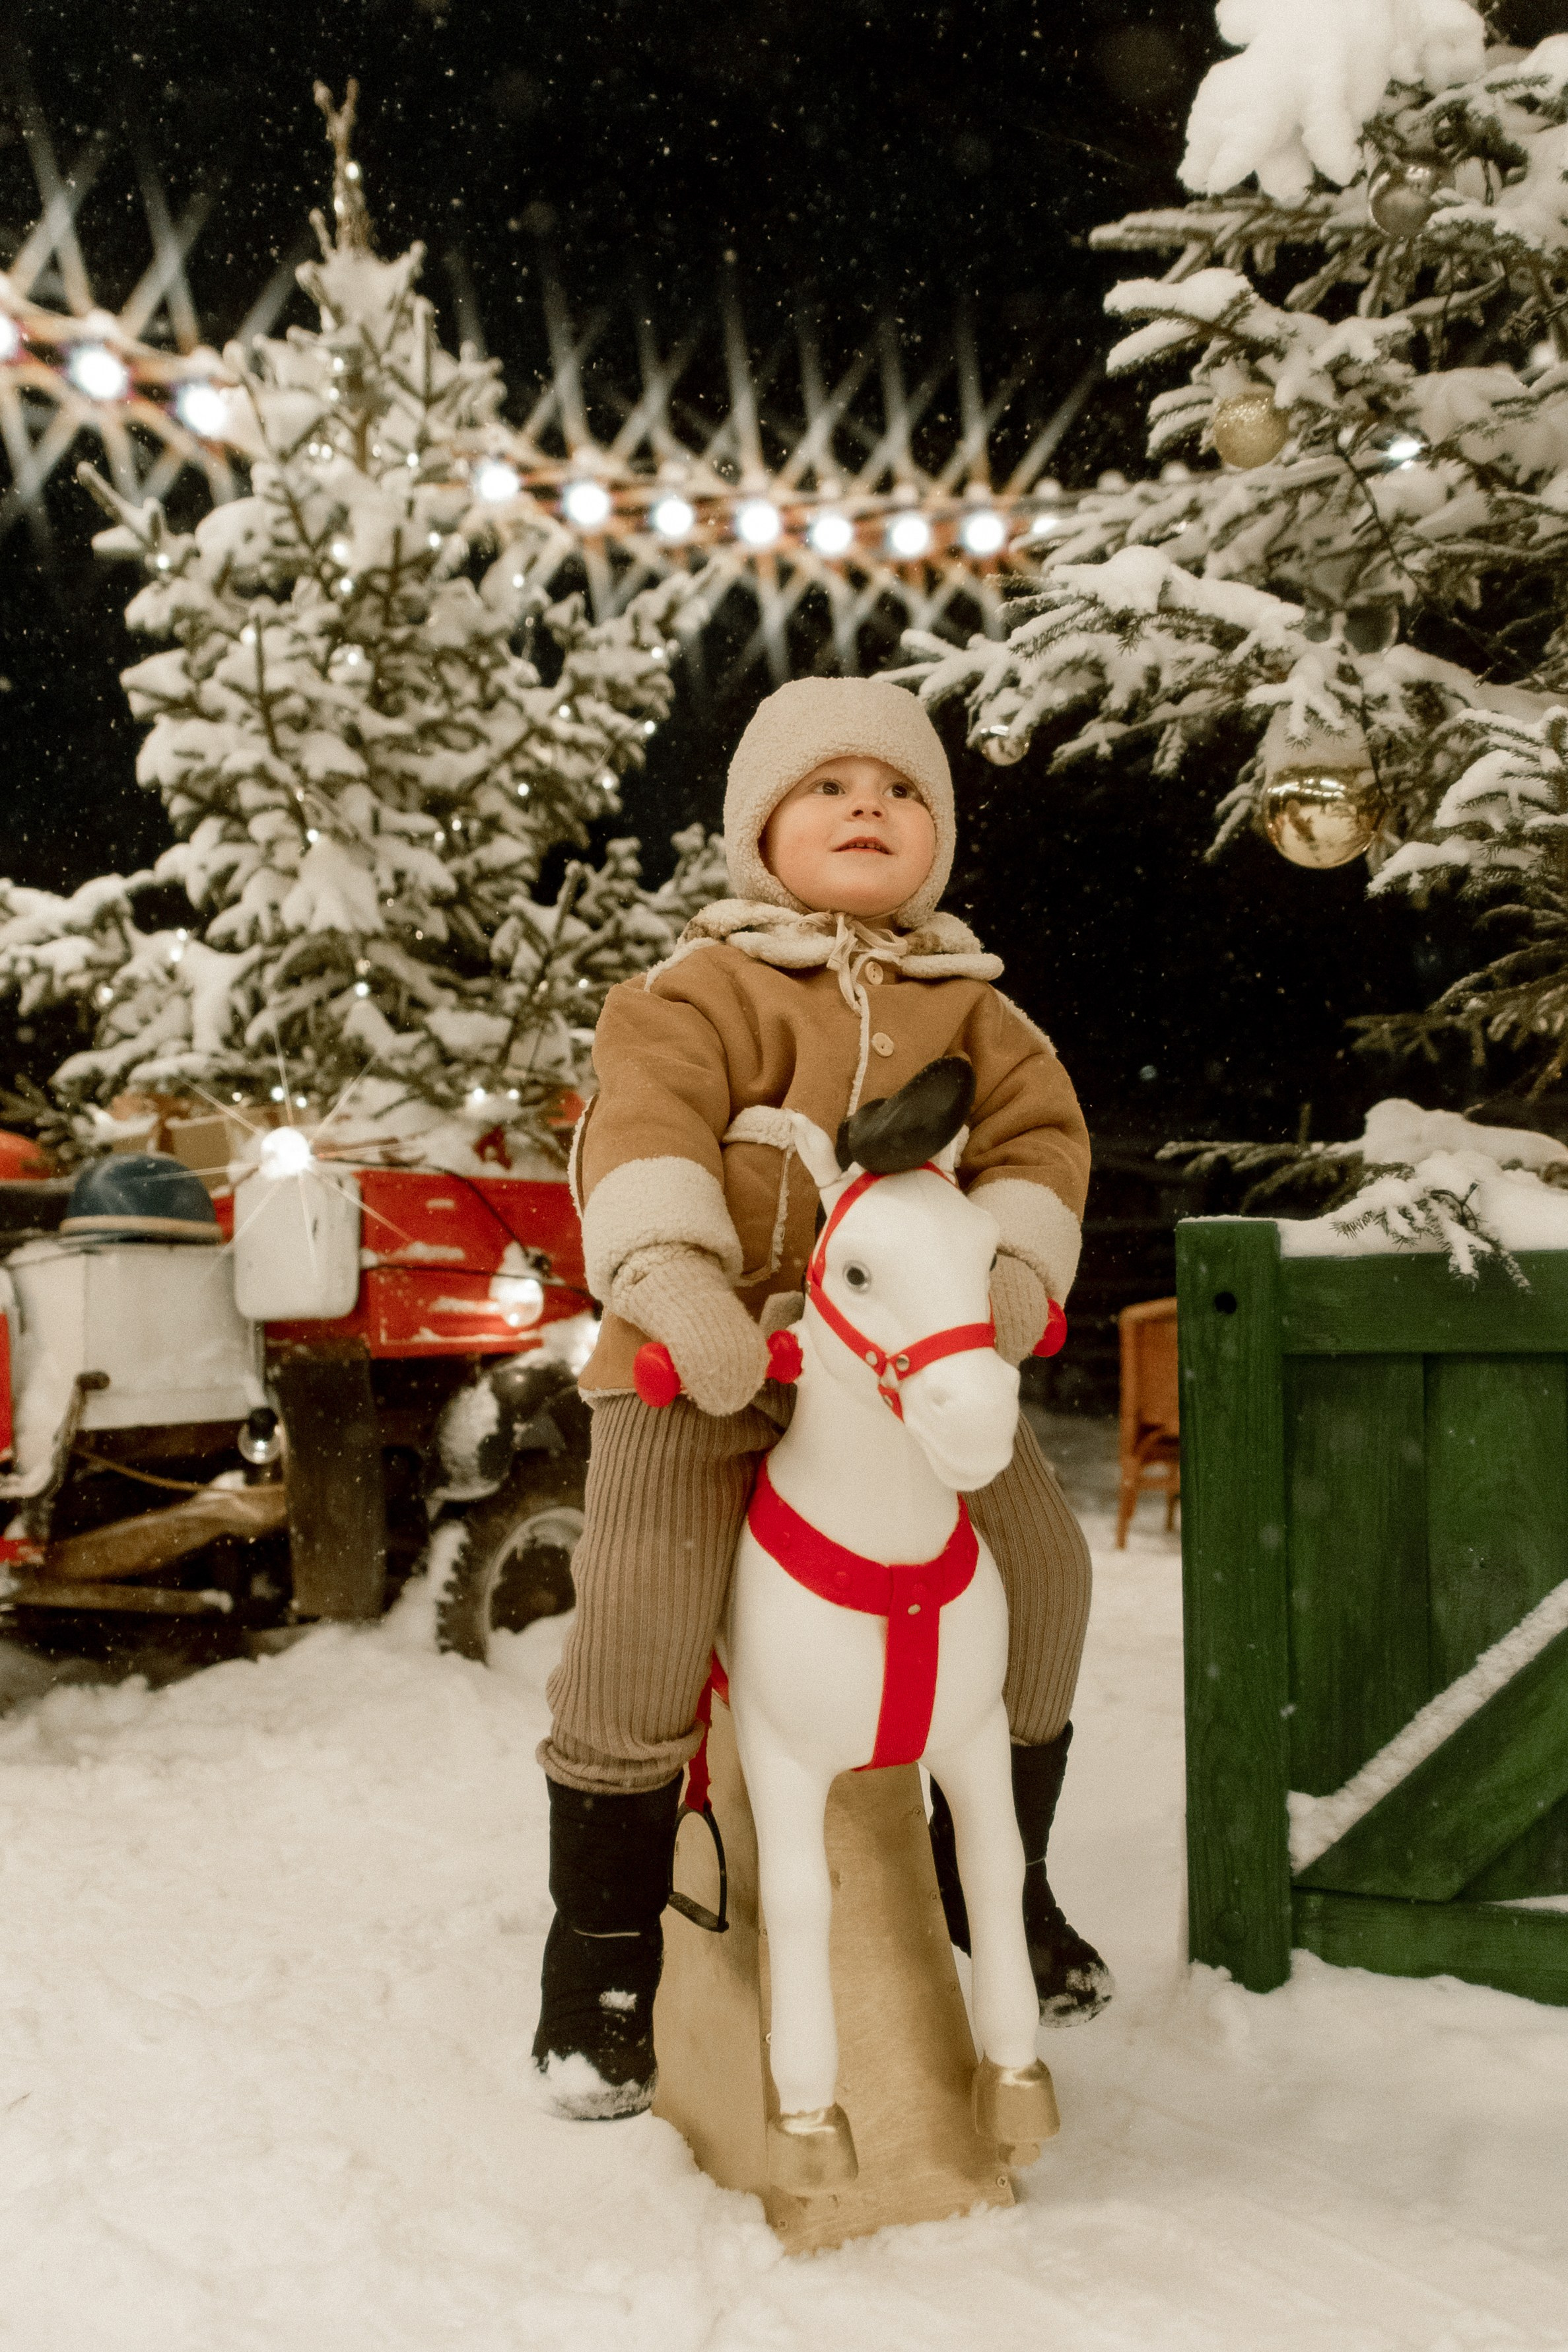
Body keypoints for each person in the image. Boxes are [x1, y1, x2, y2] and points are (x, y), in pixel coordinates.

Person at [533, 675, 1109, 2118]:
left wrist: (1015, 1281)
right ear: (759, 833)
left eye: (903, 788)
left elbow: (1041, 1148)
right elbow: (646, 1127)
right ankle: (598, 1950)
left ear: (938, 837)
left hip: (906, 1365)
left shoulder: (978, 1013)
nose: (870, 805)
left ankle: (1003, 1876)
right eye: (829, 786)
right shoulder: (692, 993)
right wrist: (673, 1280)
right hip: (708, 1358)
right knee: (647, 1602)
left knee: (1037, 1565)